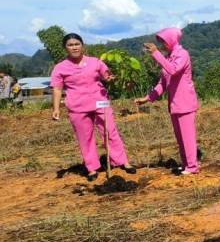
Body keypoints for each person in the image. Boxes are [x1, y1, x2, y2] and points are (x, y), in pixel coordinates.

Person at [51, 33, 136, 181]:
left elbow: (107, 76)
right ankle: (92, 168)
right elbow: (57, 89)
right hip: (77, 106)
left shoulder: (95, 62)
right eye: (70, 45)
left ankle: (123, 162)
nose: (74, 47)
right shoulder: (60, 68)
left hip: (100, 101)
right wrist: (56, 108)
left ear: (82, 45)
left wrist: (118, 78)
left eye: (77, 44)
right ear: (65, 48)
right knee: (85, 137)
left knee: (110, 131)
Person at [135, 28, 200, 175]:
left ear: (172, 40)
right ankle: (186, 165)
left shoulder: (182, 54)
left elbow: (174, 70)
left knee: (187, 136)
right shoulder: (169, 57)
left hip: (185, 102)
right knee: (180, 137)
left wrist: (155, 54)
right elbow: (162, 83)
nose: (162, 45)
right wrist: (148, 98)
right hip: (174, 104)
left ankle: (192, 166)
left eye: (164, 41)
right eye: (161, 43)